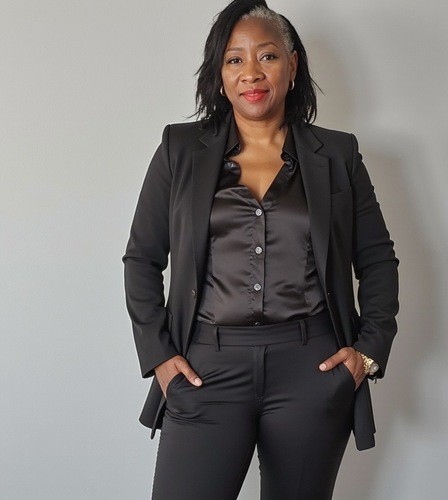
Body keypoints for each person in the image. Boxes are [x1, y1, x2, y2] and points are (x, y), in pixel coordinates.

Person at [122, 1, 399, 498]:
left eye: (267, 56)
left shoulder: (338, 155)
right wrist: (160, 355)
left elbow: (377, 258)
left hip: (312, 370)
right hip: (206, 369)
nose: (251, 72)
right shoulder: (179, 150)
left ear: (292, 65)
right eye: (235, 59)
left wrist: (367, 353)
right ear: (220, 74)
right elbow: (142, 258)